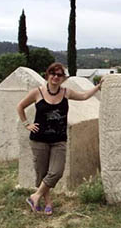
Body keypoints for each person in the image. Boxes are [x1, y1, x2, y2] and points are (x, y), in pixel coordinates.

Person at [16, 62, 103, 216]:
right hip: (39, 139)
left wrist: (97, 87)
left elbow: (83, 96)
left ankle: (34, 196)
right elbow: (20, 106)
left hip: (59, 140)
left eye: (59, 75)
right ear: (48, 75)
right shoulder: (37, 92)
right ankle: (47, 202)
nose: (55, 77)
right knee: (42, 173)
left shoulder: (66, 93)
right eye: (53, 73)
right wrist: (26, 124)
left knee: (56, 172)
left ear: (63, 78)